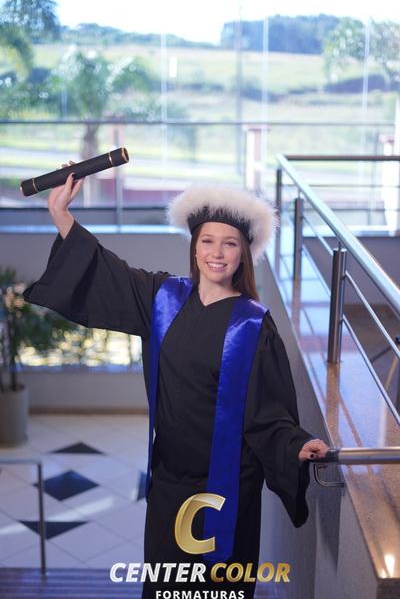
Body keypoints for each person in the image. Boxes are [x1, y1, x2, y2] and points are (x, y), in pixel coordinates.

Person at [23, 173, 330, 599]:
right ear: (194, 246)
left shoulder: (253, 325)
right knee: (167, 584)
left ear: (243, 254)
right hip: (170, 481)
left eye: (229, 244)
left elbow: (268, 413)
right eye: (208, 241)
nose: (217, 253)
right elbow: (106, 272)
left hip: (228, 486)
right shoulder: (163, 298)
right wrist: (61, 213)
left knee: (217, 587)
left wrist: (295, 444)